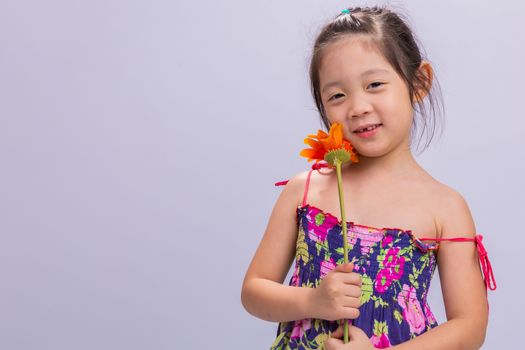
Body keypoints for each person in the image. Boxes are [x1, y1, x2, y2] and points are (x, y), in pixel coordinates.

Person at [240, 5, 496, 349]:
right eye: (337, 95)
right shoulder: (305, 191)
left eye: (374, 84)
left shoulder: (446, 208)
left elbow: (470, 326)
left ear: (418, 83)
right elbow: (254, 291)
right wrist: (314, 300)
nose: (357, 107)